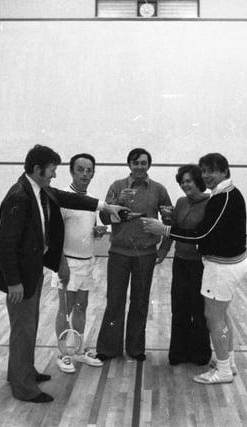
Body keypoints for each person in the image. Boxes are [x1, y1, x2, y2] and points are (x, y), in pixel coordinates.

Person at [0, 145, 124, 403]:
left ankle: (22, 371)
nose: (54, 174)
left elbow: (71, 199)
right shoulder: (19, 196)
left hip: (32, 271)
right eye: (52, 169)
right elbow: (5, 244)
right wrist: (14, 282)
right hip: (19, 278)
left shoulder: (37, 190)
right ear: (37, 169)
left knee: (28, 327)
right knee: (23, 329)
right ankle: (23, 387)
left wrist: (104, 206)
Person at [142, 153, 247, 384]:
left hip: (221, 266)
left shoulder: (222, 198)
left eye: (211, 171)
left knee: (213, 317)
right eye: (204, 171)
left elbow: (203, 234)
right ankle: (228, 362)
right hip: (221, 263)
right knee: (219, 315)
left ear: (224, 171)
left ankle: (224, 370)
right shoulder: (226, 194)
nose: (206, 176)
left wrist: (164, 230)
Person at [96, 148, 172, 362]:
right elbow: (104, 219)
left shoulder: (159, 190)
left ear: (149, 165)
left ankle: (136, 348)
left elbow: (169, 220)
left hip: (146, 255)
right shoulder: (117, 187)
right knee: (115, 300)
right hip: (119, 254)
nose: (139, 166)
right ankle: (109, 348)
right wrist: (117, 202)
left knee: (140, 302)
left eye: (143, 163)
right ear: (129, 164)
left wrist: (165, 248)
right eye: (135, 163)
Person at [51, 153, 106, 373]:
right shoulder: (63, 199)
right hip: (67, 263)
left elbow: (84, 231)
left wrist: (96, 232)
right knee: (65, 310)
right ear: (72, 171)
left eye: (89, 170)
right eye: (80, 170)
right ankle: (63, 354)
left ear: (93, 172)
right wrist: (61, 263)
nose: (85, 174)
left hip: (87, 263)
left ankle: (79, 351)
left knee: (81, 308)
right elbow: (55, 236)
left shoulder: (91, 201)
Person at [161, 165, 212, 366]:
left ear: (198, 181)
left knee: (198, 309)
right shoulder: (181, 202)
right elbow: (173, 229)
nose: (185, 185)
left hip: (202, 265)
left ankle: (200, 353)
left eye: (188, 181)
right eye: (182, 182)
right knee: (179, 307)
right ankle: (178, 353)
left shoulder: (211, 203)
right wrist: (163, 251)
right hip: (181, 263)